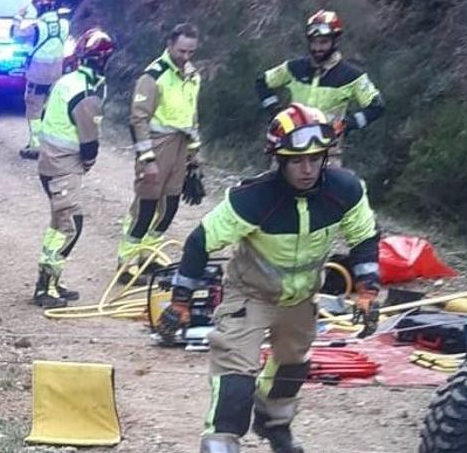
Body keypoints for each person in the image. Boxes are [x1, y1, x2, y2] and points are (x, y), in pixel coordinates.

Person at [158, 103, 381, 453]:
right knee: (235, 379)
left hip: (302, 298)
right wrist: (180, 301)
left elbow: (364, 237)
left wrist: (368, 290)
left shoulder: (345, 190)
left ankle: (273, 423)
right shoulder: (253, 198)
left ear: (326, 156)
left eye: (315, 158)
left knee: (291, 368)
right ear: (279, 160)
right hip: (250, 296)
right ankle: (221, 440)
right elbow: (200, 241)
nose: (307, 169)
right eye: (296, 161)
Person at [32, 28, 116, 309]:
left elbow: (45, 116)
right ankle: (45, 287)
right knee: (68, 227)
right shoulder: (88, 94)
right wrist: (88, 163)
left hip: (50, 163)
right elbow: (89, 142)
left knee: (61, 224)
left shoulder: (66, 81)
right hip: (64, 166)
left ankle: (51, 281)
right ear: (102, 61)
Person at [116, 23, 202, 282]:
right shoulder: (153, 76)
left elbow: (192, 115)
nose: (185, 57)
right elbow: (138, 119)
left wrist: (195, 157)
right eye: (181, 51)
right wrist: (147, 159)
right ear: (169, 44)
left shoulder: (192, 75)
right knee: (146, 206)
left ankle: (149, 256)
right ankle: (126, 262)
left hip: (180, 145)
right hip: (157, 145)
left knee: (171, 205)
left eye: (190, 52)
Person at [256, 10, 385, 166]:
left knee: (333, 189)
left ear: (334, 41)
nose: (317, 47)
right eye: (314, 42)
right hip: (289, 150)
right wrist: (275, 111)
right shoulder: (294, 67)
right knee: (274, 189)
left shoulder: (352, 76)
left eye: (323, 42)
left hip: (327, 155)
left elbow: (377, 106)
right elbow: (262, 81)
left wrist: (348, 124)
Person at [11, 0, 71, 160]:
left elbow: (15, 35)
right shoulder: (65, 25)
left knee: (34, 110)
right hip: (56, 74)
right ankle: (52, 145)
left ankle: (36, 146)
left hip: (38, 74)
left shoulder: (37, 27)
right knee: (51, 109)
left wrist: (18, 17)